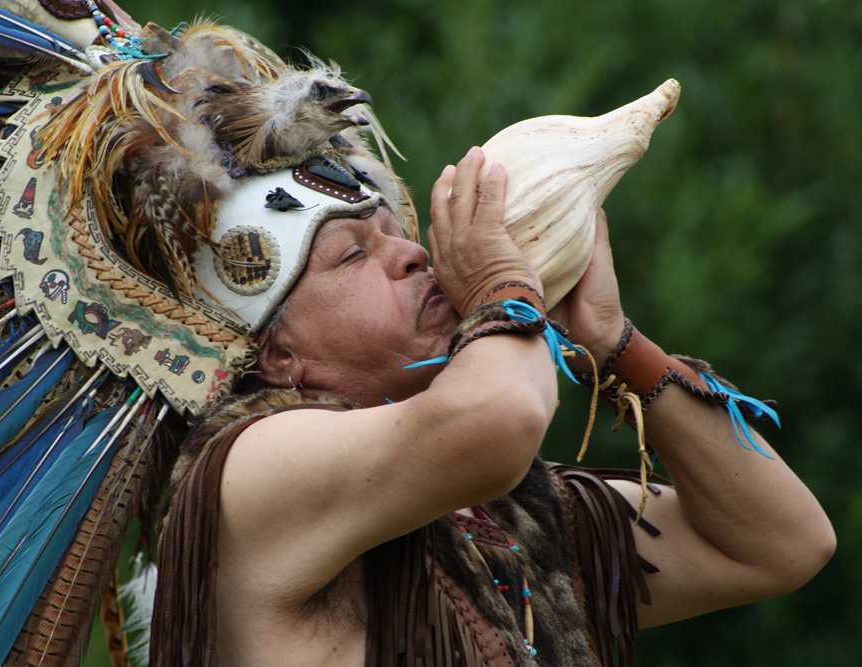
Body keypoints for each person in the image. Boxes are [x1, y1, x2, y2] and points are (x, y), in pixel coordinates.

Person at [150, 146, 835, 666]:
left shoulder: (492, 519)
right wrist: (501, 286)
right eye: (353, 255)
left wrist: (614, 341)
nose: (415, 254)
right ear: (276, 353)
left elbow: (781, 542)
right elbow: (502, 416)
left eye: (396, 231)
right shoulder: (246, 464)